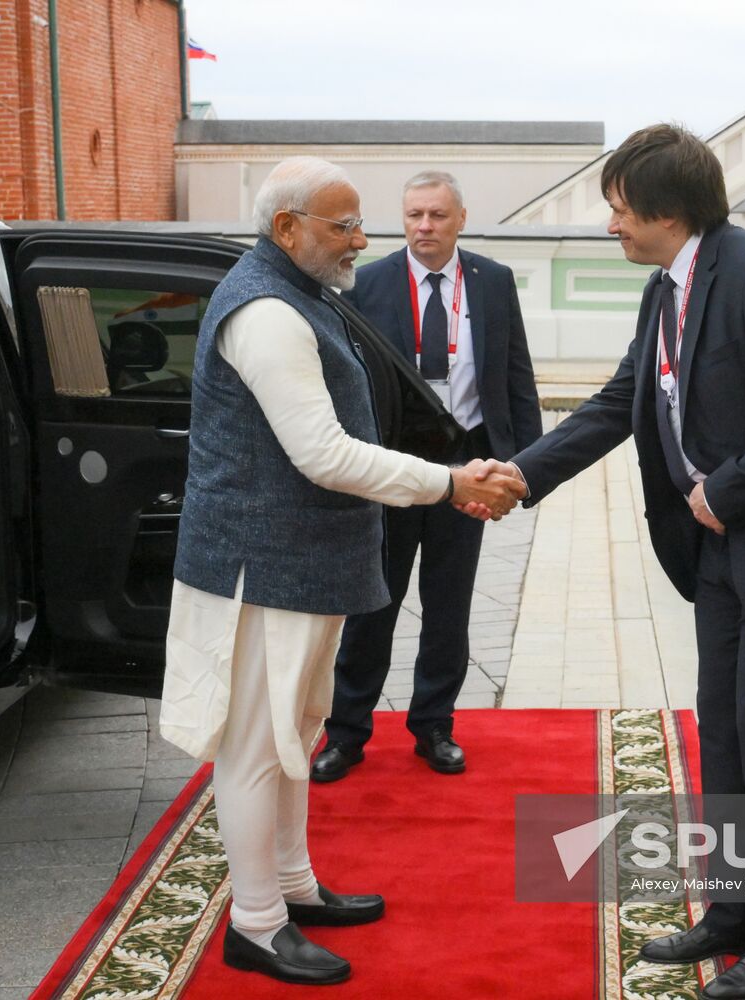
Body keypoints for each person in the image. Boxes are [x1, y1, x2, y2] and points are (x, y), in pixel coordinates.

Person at [476, 124, 745, 1000]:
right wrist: (523, 473)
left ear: (667, 211)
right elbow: (626, 396)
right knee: (727, 738)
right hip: (719, 557)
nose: (611, 226)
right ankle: (730, 915)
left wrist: (725, 492)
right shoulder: (666, 285)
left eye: (619, 210)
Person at [158, 157, 523, 986]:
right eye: (343, 225)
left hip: (304, 563)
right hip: (264, 566)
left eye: (361, 223)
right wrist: (449, 481)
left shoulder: (302, 294)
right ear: (287, 229)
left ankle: (291, 887)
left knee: (295, 736)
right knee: (256, 746)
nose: (362, 240)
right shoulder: (266, 312)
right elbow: (321, 454)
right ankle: (255, 923)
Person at [311, 171, 543, 782]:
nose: (424, 227)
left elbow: (515, 372)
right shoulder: (370, 282)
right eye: (414, 215)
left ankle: (434, 726)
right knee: (372, 606)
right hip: (390, 469)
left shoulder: (491, 282)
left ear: (460, 218)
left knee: (449, 608)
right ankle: (347, 733)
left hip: (467, 466)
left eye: (437, 216)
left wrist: (527, 466)